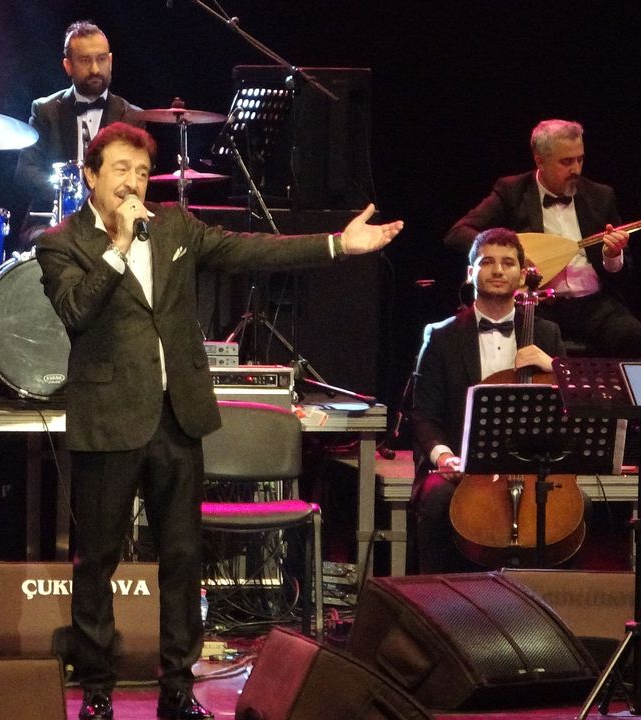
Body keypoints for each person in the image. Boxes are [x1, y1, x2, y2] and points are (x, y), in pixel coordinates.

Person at [35, 122, 400, 720]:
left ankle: (177, 690)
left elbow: (252, 249)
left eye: (142, 173)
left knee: (182, 559)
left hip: (177, 417)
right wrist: (118, 245)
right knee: (96, 561)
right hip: (108, 420)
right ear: (90, 175)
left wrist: (338, 245)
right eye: (121, 170)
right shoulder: (59, 243)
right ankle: (97, 689)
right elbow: (76, 310)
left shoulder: (175, 227)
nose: (133, 183)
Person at [411, 228, 566, 574]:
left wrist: (553, 367)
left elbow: (570, 408)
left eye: (508, 263)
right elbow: (424, 415)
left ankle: (557, 601)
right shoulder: (441, 336)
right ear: (471, 273)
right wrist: (445, 457)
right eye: (487, 262)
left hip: (531, 468)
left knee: (579, 507)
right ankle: (438, 599)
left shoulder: (546, 334)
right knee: (438, 501)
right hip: (462, 467)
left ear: (522, 275)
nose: (498, 270)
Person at [443, 119, 641, 357]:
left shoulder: (601, 195)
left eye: (580, 159)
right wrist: (510, 254)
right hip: (537, 307)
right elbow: (458, 233)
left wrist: (612, 256)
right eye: (566, 162)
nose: (576, 169)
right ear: (540, 161)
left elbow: (624, 272)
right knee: (527, 346)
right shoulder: (512, 191)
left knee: (634, 335)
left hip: (594, 306)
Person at [13, 20, 143, 247]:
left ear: (110, 61)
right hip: (52, 222)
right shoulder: (45, 110)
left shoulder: (132, 116)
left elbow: (135, 179)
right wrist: (70, 195)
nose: (95, 69)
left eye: (101, 59)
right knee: (54, 243)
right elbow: (26, 172)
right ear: (68, 65)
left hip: (113, 222)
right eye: (85, 60)